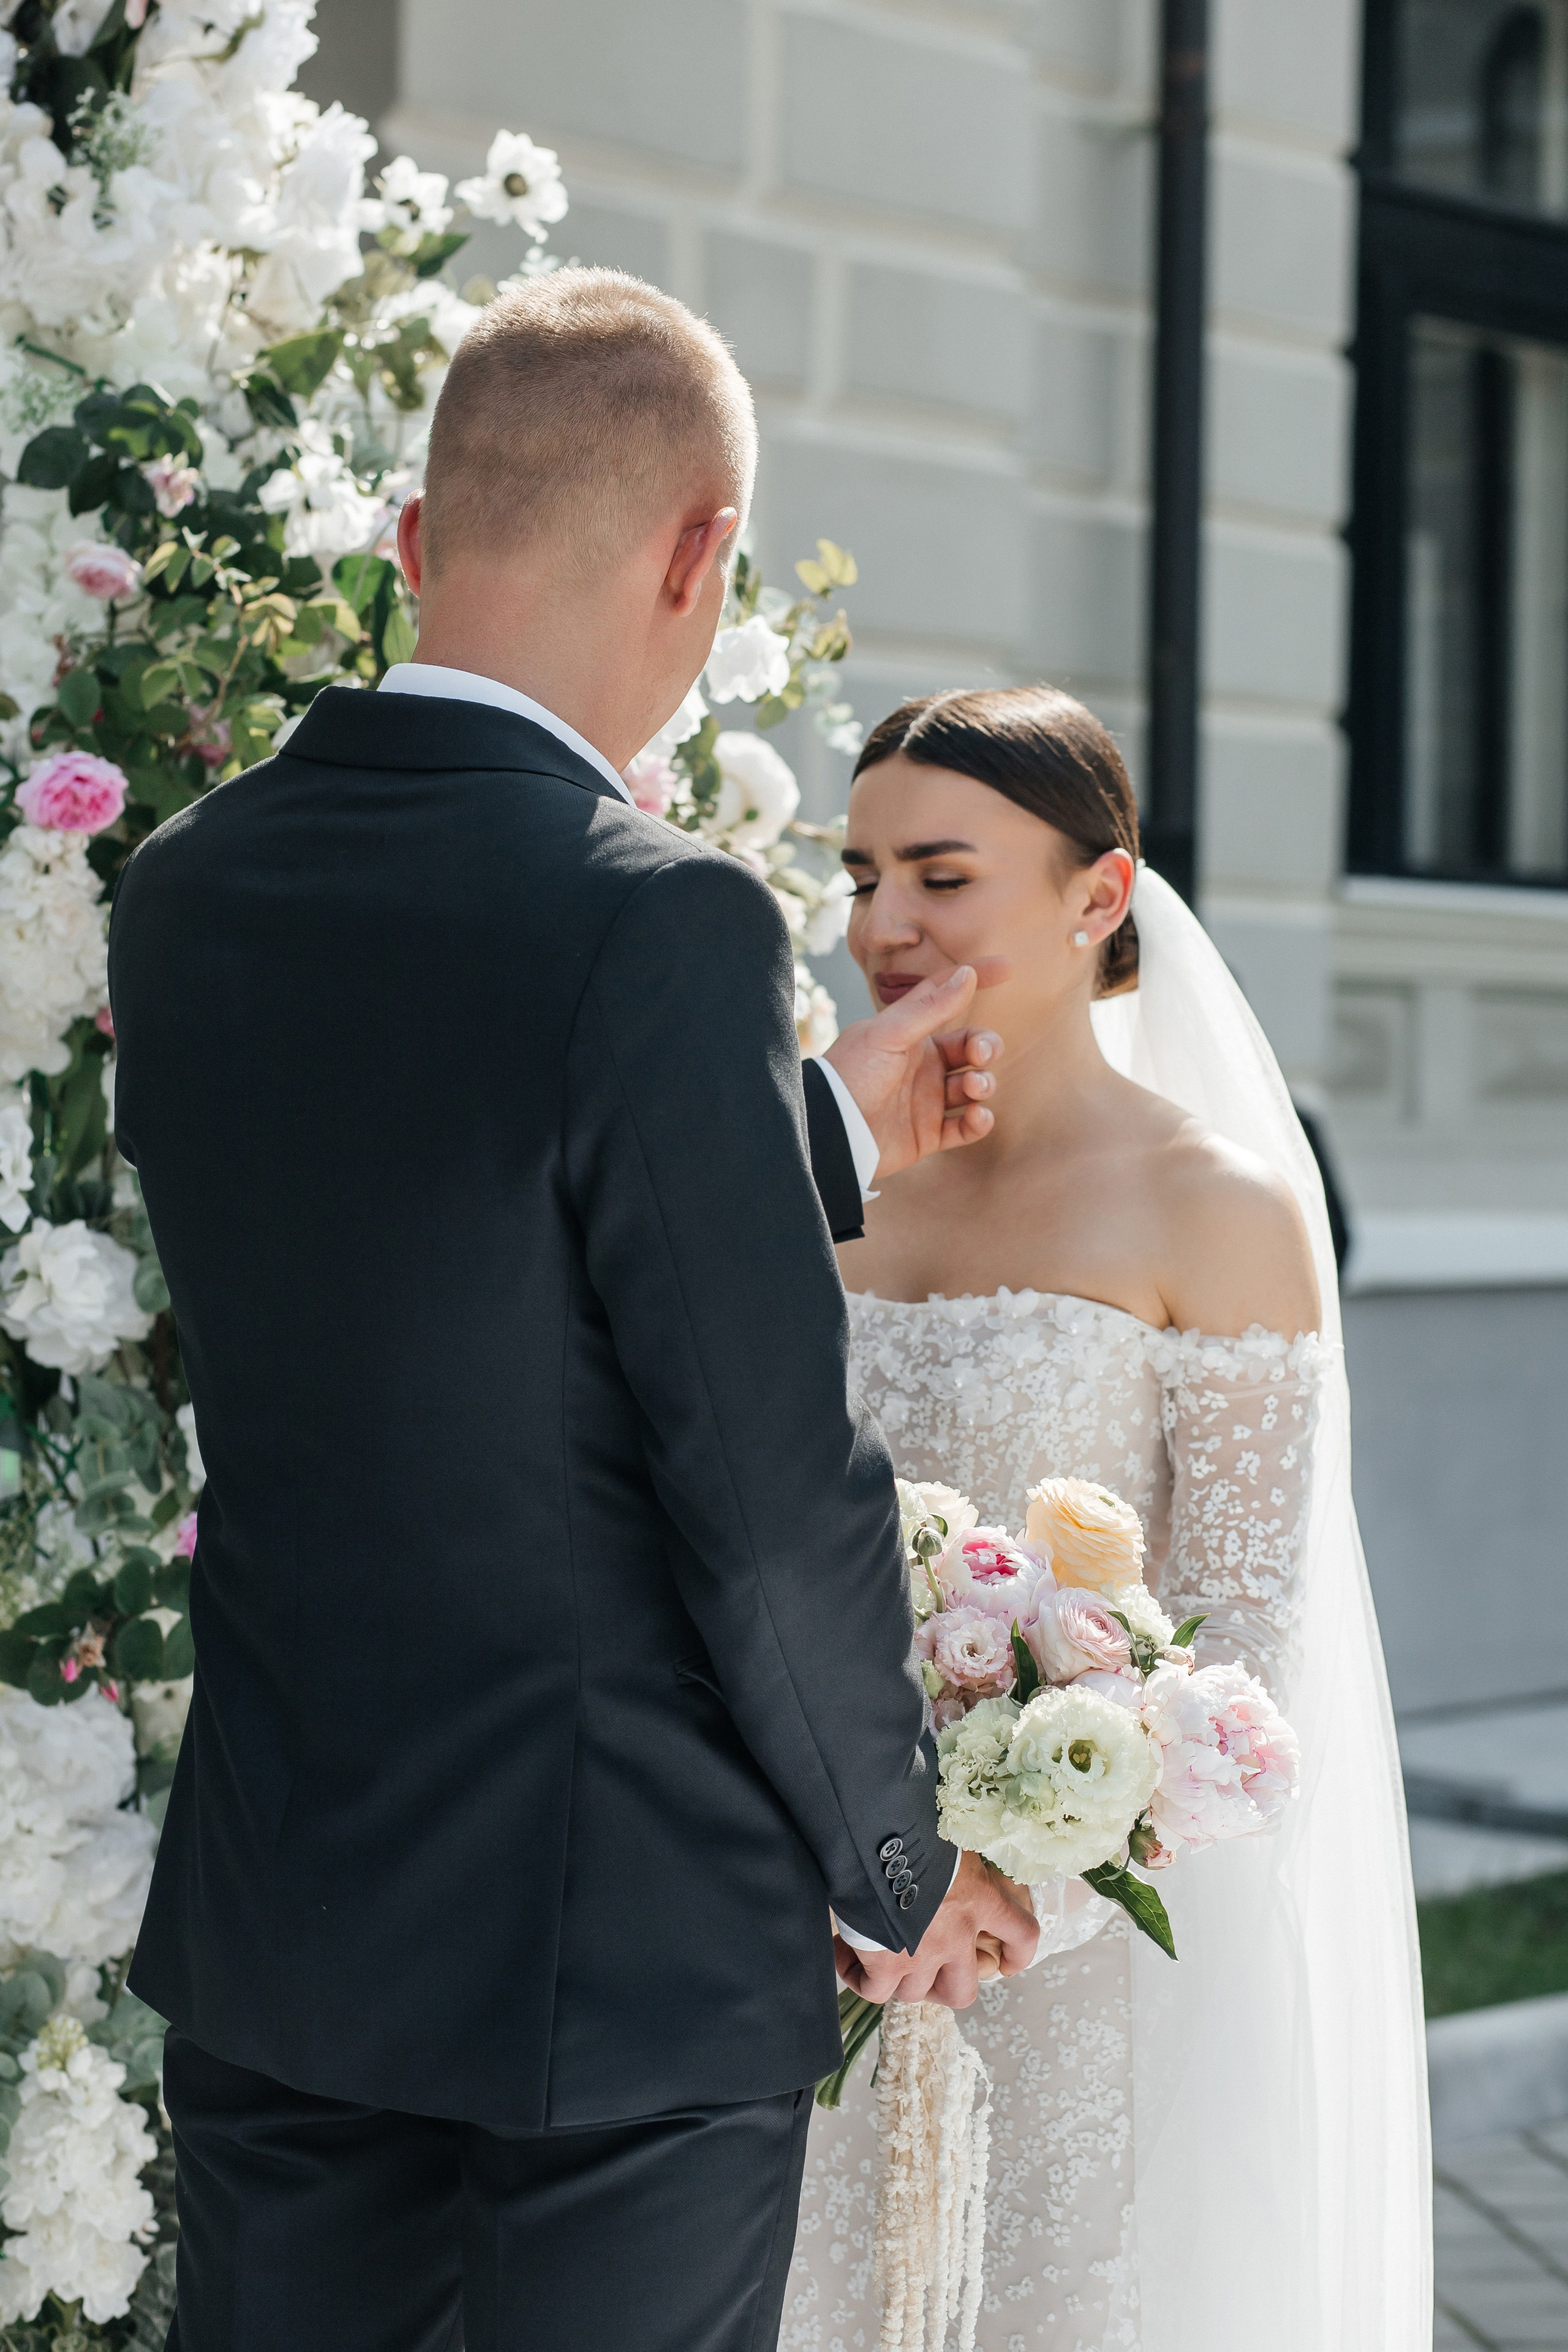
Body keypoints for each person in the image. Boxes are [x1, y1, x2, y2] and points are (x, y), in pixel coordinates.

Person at [107, 271, 1038, 2352]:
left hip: (290, 1940)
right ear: (705, 553)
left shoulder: (186, 891)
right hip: (605, 1995)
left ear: (419, 547)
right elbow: (765, 1484)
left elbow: (423, 1260)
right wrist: (895, 1864)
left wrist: (797, 1120)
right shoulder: (659, 912)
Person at [785, 687, 1431, 2352]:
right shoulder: (806, 1152)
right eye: (862, 878)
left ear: (1099, 894)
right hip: (805, 1921)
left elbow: (1240, 1630)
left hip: (1074, 1948)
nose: (883, 924)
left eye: (940, 875)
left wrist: (1018, 1885)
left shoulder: (1212, 1205)